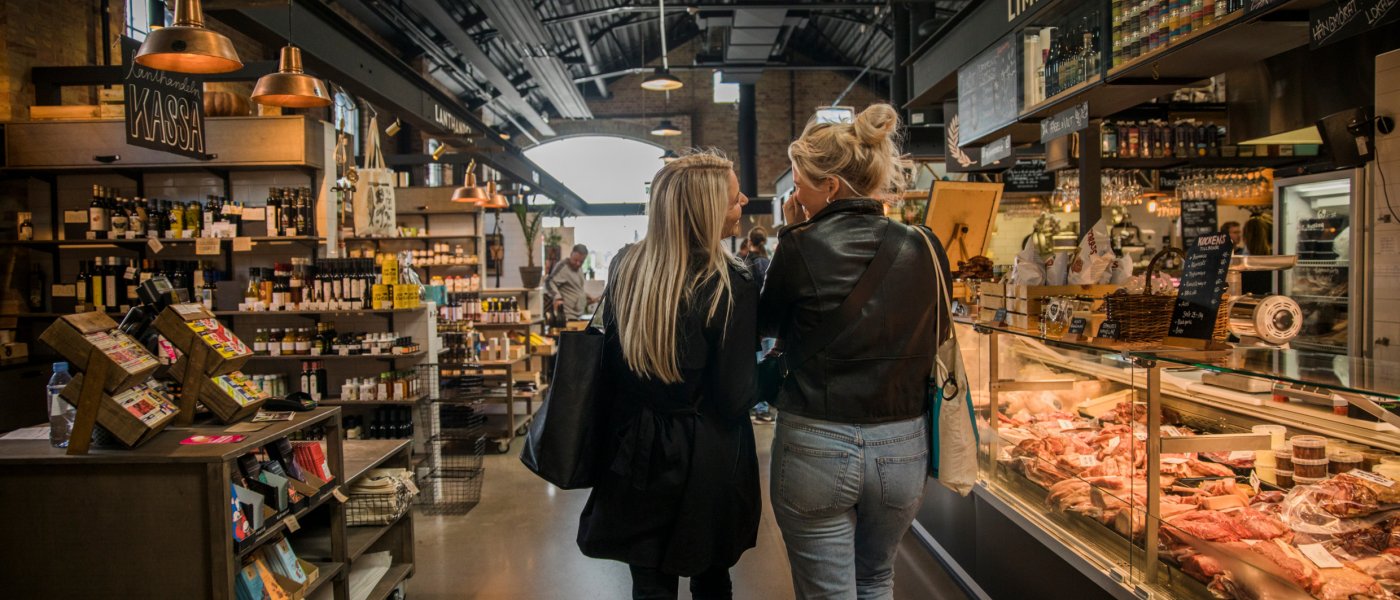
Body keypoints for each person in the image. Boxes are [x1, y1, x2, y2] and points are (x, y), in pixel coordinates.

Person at [759, 103, 951, 599]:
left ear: (830, 186)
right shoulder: (925, 245)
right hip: (902, 446)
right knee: (877, 579)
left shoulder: (799, 246)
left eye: (800, 180)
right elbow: (939, 334)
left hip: (816, 445)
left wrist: (792, 233)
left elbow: (767, 325)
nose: (795, 191)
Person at [577, 151, 760, 600]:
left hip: (637, 449)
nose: (745, 200)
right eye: (735, 196)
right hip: (708, 454)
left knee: (649, 583)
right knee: (711, 578)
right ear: (706, 209)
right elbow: (736, 396)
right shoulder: (730, 282)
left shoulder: (626, 267)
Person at [745, 226, 776, 423]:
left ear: (750, 241)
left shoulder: (746, 264)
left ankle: (757, 406)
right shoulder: (769, 263)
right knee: (767, 363)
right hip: (769, 325)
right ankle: (764, 407)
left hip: (752, 326)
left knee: (754, 365)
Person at [545, 244, 596, 320]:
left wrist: (586, 296)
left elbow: (576, 288)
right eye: (575, 260)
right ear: (571, 254)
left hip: (579, 314)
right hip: (567, 316)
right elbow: (549, 282)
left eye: (581, 262)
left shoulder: (579, 269)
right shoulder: (562, 266)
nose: (578, 263)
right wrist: (558, 298)